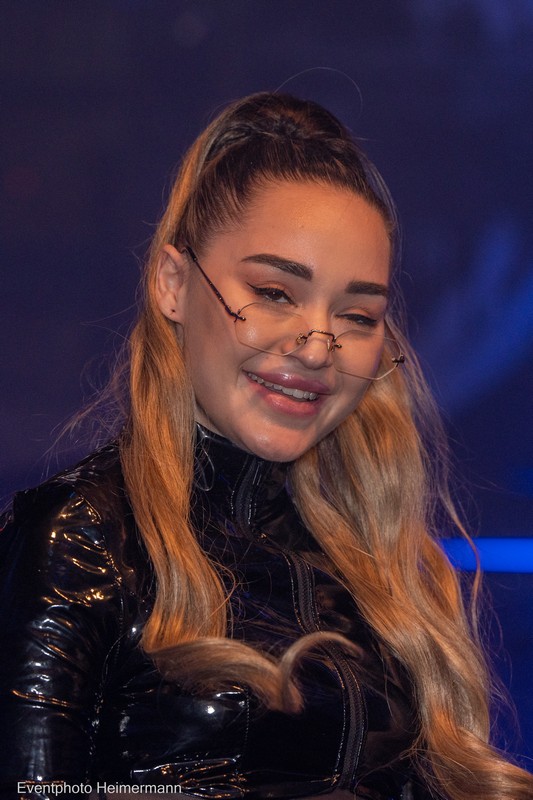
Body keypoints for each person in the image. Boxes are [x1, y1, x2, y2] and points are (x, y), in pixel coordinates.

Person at [0, 92, 531, 800]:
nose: (316, 347)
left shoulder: (386, 582)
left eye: (357, 314)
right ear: (173, 284)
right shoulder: (80, 538)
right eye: (275, 293)